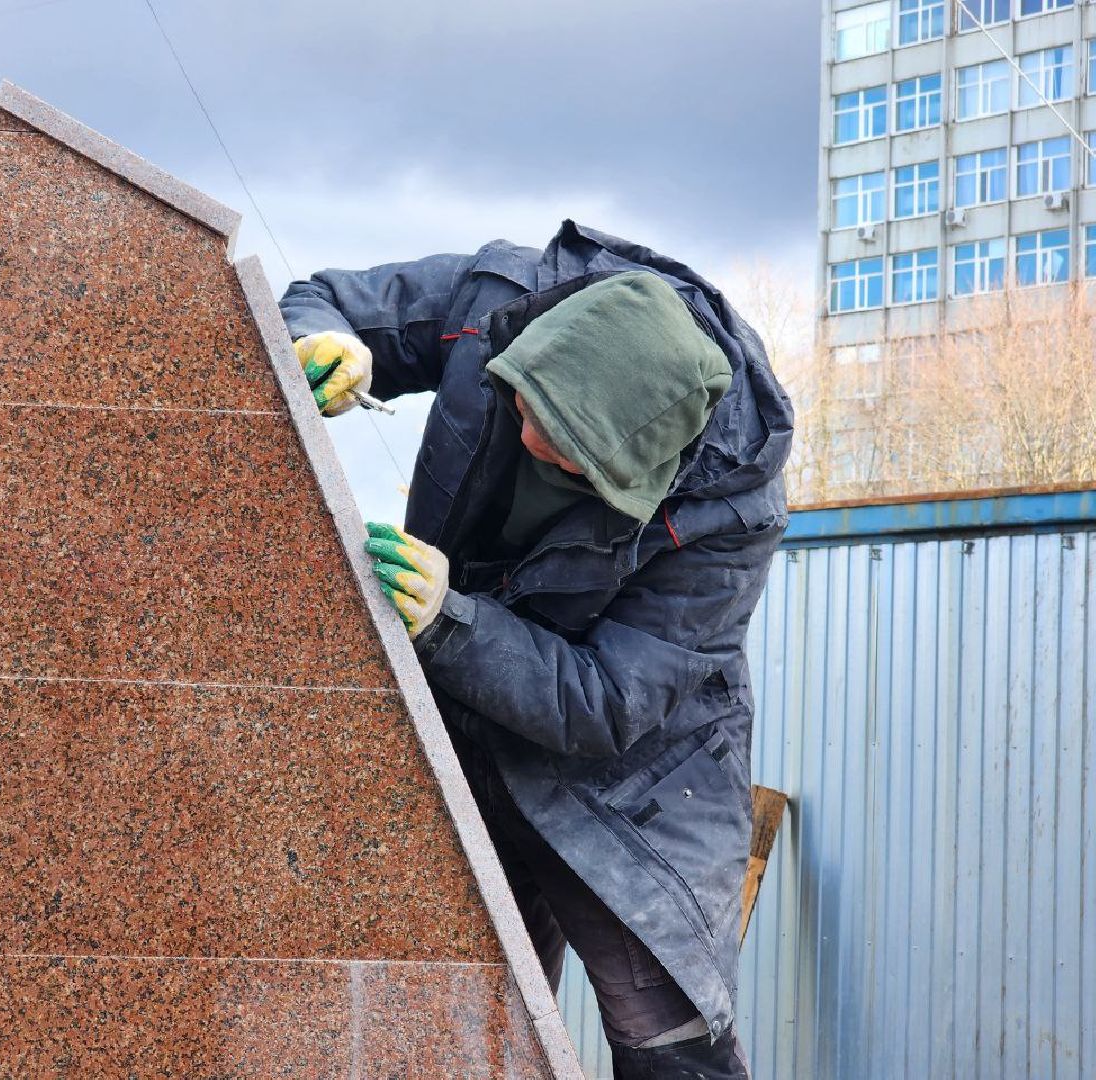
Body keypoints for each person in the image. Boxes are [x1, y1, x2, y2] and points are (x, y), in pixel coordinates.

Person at [280, 220, 792, 1079]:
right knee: (474, 1011)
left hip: (635, 777)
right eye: (522, 406)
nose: (524, 443)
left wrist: (452, 621)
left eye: (559, 452)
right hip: (462, 709)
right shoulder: (501, 300)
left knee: (669, 1032)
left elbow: (607, 702)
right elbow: (314, 298)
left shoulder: (732, 512)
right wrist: (327, 344)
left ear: (636, 472)